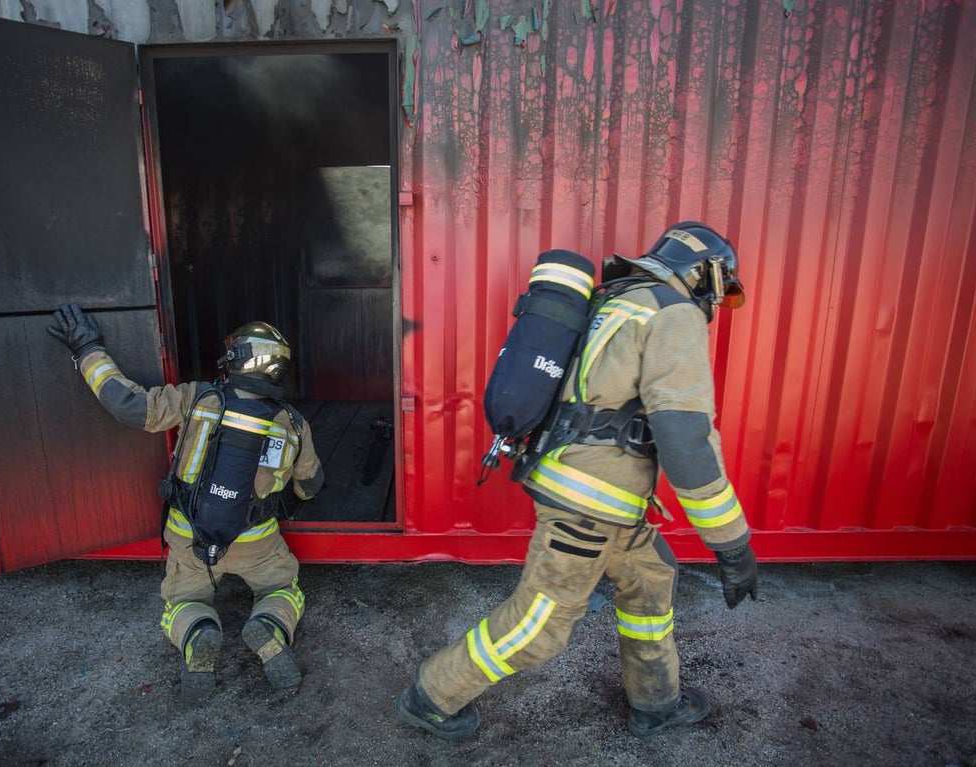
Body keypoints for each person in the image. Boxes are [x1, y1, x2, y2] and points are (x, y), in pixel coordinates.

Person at [396, 222, 758, 739]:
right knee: (541, 624)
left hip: (602, 494)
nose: (716, 305)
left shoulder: (619, 300)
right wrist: (733, 543)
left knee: (650, 583)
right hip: (591, 503)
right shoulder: (672, 313)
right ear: (704, 274)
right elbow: (686, 440)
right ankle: (431, 695)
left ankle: (656, 702)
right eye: (720, 291)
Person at [48, 305, 324, 700]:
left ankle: (199, 634)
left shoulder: (196, 398)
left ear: (237, 359)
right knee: (282, 589)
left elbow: (126, 403)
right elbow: (310, 485)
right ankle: (271, 626)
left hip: (189, 538)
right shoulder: (294, 423)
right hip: (257, 542)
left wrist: (87, 348)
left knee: (182, 602)